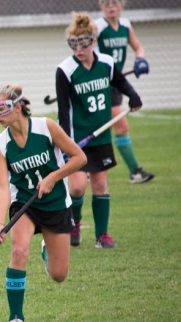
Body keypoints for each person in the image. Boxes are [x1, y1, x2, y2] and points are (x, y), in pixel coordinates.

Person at [0, 85, 87, 322]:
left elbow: (79, 158)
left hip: (55, 202)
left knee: (59, 275)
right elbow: (3, 188)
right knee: (19, 250)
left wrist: (54, 177)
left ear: (18, 107)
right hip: (24, 202)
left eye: (2, 109)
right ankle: (15, 318)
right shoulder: (0, 145)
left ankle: (47, 248)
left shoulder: (46, 127)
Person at [56, 12, 142, 249]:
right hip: (77, 137)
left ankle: (101, 235)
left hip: (101, 134)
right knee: (76, 187)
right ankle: (75, 222)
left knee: (100, 185)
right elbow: (63, 110)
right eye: (73, 44)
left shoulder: (105, 62)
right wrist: (65, 144)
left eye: (82, 44)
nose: (78, 50)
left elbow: (120, 82)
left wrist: (132, 95)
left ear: (93, 41)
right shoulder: (65, 70)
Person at [95, 0, 154, 184]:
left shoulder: (125, 25)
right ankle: (134, 172)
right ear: (101, 7)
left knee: (110, 127)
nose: (111, 6)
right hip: (103, 84)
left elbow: (137, 46)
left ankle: (88, 169)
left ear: (122, 4)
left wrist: (140, 59)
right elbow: (91, 55)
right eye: (106, 3)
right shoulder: (98, 27)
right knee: (118, 126)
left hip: (116, 84)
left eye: (114, 2)